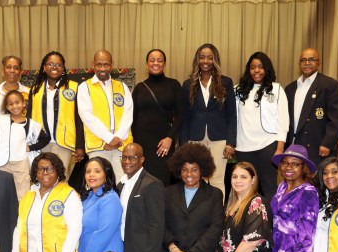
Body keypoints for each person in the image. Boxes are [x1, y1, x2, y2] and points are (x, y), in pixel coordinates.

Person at [10, 152, 82, 252]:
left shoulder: (69, 195)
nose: (44, 173)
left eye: (49, 169)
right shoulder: (28, 197)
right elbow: (19, 229)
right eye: (40, 169)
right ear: (35, 172)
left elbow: (75, 230)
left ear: (57, 171)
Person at [180, 44, 236, 195]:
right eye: (202, 57)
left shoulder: (226, 83)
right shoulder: (188, 84)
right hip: (195, 138)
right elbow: (184, 117)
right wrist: (184, 144)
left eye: (210, 57)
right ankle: (200, 215)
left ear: (215, 60)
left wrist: (230, 143)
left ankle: (217, 215)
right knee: (197, 179)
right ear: (197, 60)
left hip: (219, 138)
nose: (206, 61)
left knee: (217, 180)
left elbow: (231, 115)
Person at [234, 51, 289, 200]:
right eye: (253, 67)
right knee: (246, 187)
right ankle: (247, 221)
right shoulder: (238, 90)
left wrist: (279, 148)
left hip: (268, 146)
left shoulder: (277, 89)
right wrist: (231, 143)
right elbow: (233, 119)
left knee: (269, 186)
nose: (256, 71)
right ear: (248, 69)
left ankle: (271, 221)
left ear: (267, 69)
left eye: (260, 67)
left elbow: (283, 121)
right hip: (243, 147)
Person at [77, 49, 133, 179]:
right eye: (99, 64)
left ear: (112, 65)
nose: (102, 68)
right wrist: (109, 138)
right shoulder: (84, 87)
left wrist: (117, 138)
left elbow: (128, 115)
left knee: (123, 182)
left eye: (106, 64)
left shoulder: (122, 87)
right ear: (93, 65)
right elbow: (87, 117)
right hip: (98, 145)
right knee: (98, 184)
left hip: (121, 145)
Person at [285, 48, 338, 168]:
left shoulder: (330, 85)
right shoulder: (290, 88)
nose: (307, 63)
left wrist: (327, 143)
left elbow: (337, 118)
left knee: (318, 183)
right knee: (296, 183)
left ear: (319, 63)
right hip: (293, 147)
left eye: (312, 60)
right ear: (299, 64)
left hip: (318, 147)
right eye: (303, 60)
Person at [132, 49, 184, 186]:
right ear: (146, 64)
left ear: (164, 64)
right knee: (143, 184)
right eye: (152, 60)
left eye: (159, 60)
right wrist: (135, 145)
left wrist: (170, 138)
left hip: (163, 144)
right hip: (142, 144)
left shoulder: (174, 85)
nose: (156, 63)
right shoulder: (139, 88)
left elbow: (181, 115)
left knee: (162, 182)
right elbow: (132, 118)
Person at [27, 51, 85, 174]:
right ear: (44, 67)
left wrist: (80, 145)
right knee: (42, 177)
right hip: (41, 143)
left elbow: (80, 118)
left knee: (61, 177)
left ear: (63, 68)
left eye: (58, 65)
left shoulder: (74, 88)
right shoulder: (35, 90)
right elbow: (29, 118)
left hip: (64, 143)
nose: (54, 67)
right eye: (51, 64)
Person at [0, 90, 50, 200]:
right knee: (1, 195)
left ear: (23, 104)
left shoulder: (31, 124)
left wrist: (31, 147)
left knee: (22, 195)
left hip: (21, 164)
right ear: (7, 107)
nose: (14, 106)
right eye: (11, 104)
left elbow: (45, 138)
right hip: (2, 163)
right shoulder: (1, 121)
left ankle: (22, 216)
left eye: (17, 102)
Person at [78, 157, 123, 252]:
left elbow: (104, 232)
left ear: (106, 174)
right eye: (88, 171)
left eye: (97, 171)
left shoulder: (110, 198)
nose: (91, 175)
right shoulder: (88, 197)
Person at [0, 55, 29, 125]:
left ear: (20, 72)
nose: (12, 71)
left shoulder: (29, 93)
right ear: (3, 70)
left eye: (16, 68)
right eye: (8, 67)